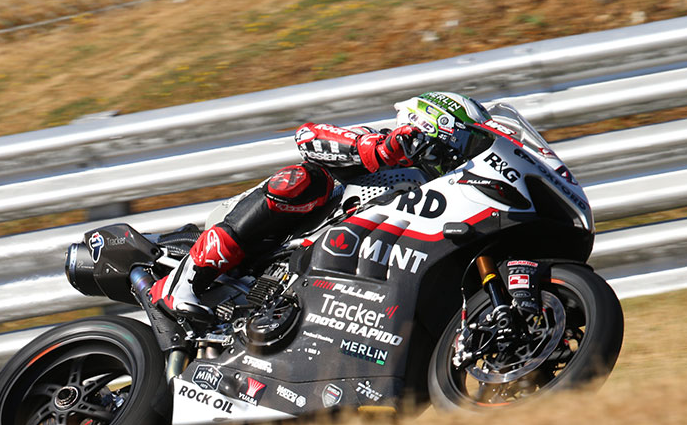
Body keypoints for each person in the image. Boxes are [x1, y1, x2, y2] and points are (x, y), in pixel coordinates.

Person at [150, 91, 495, 320]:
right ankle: (184, 283)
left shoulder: (443, 191)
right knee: (306, 180)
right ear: (438, 126)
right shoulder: (384, 145)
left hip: (340, 280)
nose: (471, 153)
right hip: (275, 243)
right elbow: (308, 136)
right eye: (469, 141)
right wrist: (378, 149)